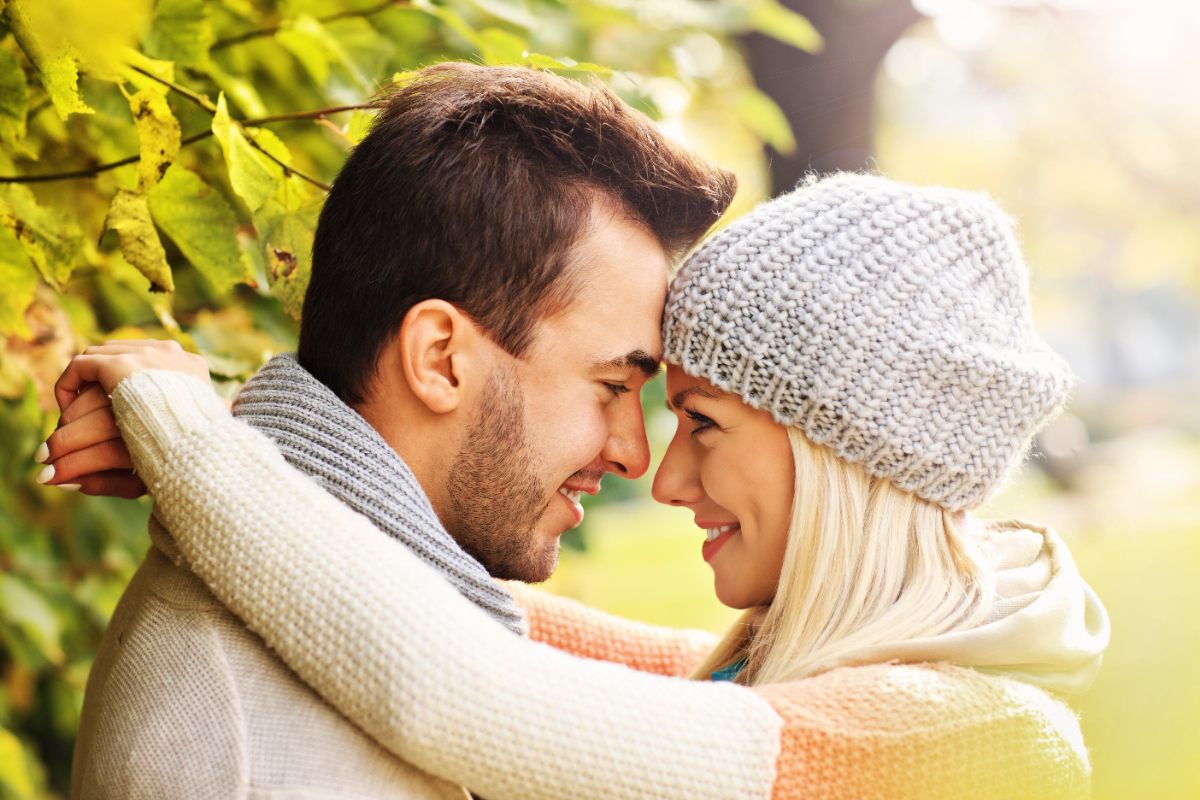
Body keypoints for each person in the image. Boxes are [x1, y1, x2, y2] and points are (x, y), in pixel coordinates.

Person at [55, 173, 1110, 799]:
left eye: (699, 421)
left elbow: (455, 685)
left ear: (845, 450)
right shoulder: (763, 678)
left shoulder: (959, 736)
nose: (664, 473)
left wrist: (190, 435)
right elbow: (425, 593)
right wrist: (256, 431)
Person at [46, 62, 736, 799]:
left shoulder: (377, 629)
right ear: (440, 359)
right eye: (610, 386)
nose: (635, 455)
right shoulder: (248, 740)